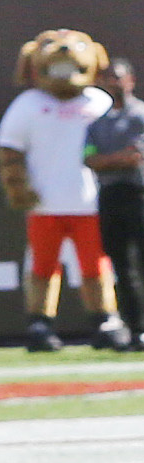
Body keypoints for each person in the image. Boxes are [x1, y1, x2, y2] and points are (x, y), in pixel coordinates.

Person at [0, 28, 129, 352]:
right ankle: (40, 325)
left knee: (96, 265)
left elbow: (116, 144)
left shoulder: (99, 101)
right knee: (42, 266)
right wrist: (18, 187)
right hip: (44, 203)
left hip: (90, 202)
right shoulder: (28, 104)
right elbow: (9, 149)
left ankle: (104, 320)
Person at [88, 61, 144, 361]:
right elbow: (88, 158)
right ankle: (136, 328)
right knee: (121, 267)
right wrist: (117, 159)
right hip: (111, 196)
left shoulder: (140, 115)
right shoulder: (99, 123)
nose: (114, 84)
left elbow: (137, 158)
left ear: (131, 80)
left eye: (119, 78)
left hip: (139, 194)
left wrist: (108, 160)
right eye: (109, 79)